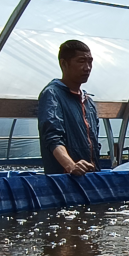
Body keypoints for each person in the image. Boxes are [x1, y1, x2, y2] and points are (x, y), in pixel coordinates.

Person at [38, 39, 100, 176]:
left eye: (90, 61)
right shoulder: (53, 94)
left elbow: (94, 143)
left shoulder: (88, 101)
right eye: (81, 61)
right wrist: (71, 166)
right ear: (64, 64)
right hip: (64, 182)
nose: (87, 67)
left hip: (89, 179)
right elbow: (53, 137)